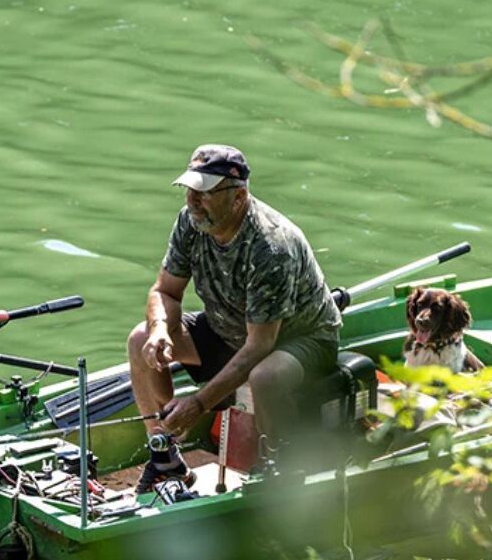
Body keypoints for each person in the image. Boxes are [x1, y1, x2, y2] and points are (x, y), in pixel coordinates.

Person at [126, 144, 343, 493]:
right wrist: (161, 330)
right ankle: (164, 455)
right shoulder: (190, 222)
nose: (193, 202)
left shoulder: (271, 246)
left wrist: (198, 404)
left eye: (205, 194)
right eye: (190, 191)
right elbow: (164, 291)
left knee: (266, 375)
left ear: (238, 196)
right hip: (230, 328)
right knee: (140, 339)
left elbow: (259, 347)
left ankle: (279, 464)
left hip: (301, 339)